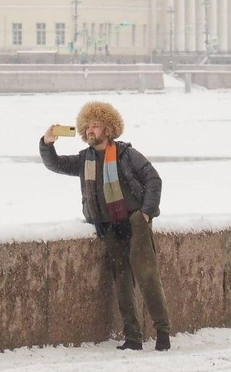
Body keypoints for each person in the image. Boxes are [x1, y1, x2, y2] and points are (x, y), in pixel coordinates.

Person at [39, 101, 171, 351]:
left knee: (147, 276)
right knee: (121, 281)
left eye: (95, 126)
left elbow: (153, 179)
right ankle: (133, 337)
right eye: (86, 126)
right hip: (110, 227)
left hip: (135, 221)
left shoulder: (126, 154)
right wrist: (47, 143)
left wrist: (145, 213)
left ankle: (163, 332)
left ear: (109, 130)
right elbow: (54, 164)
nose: (90, 130)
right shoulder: (84, 160)